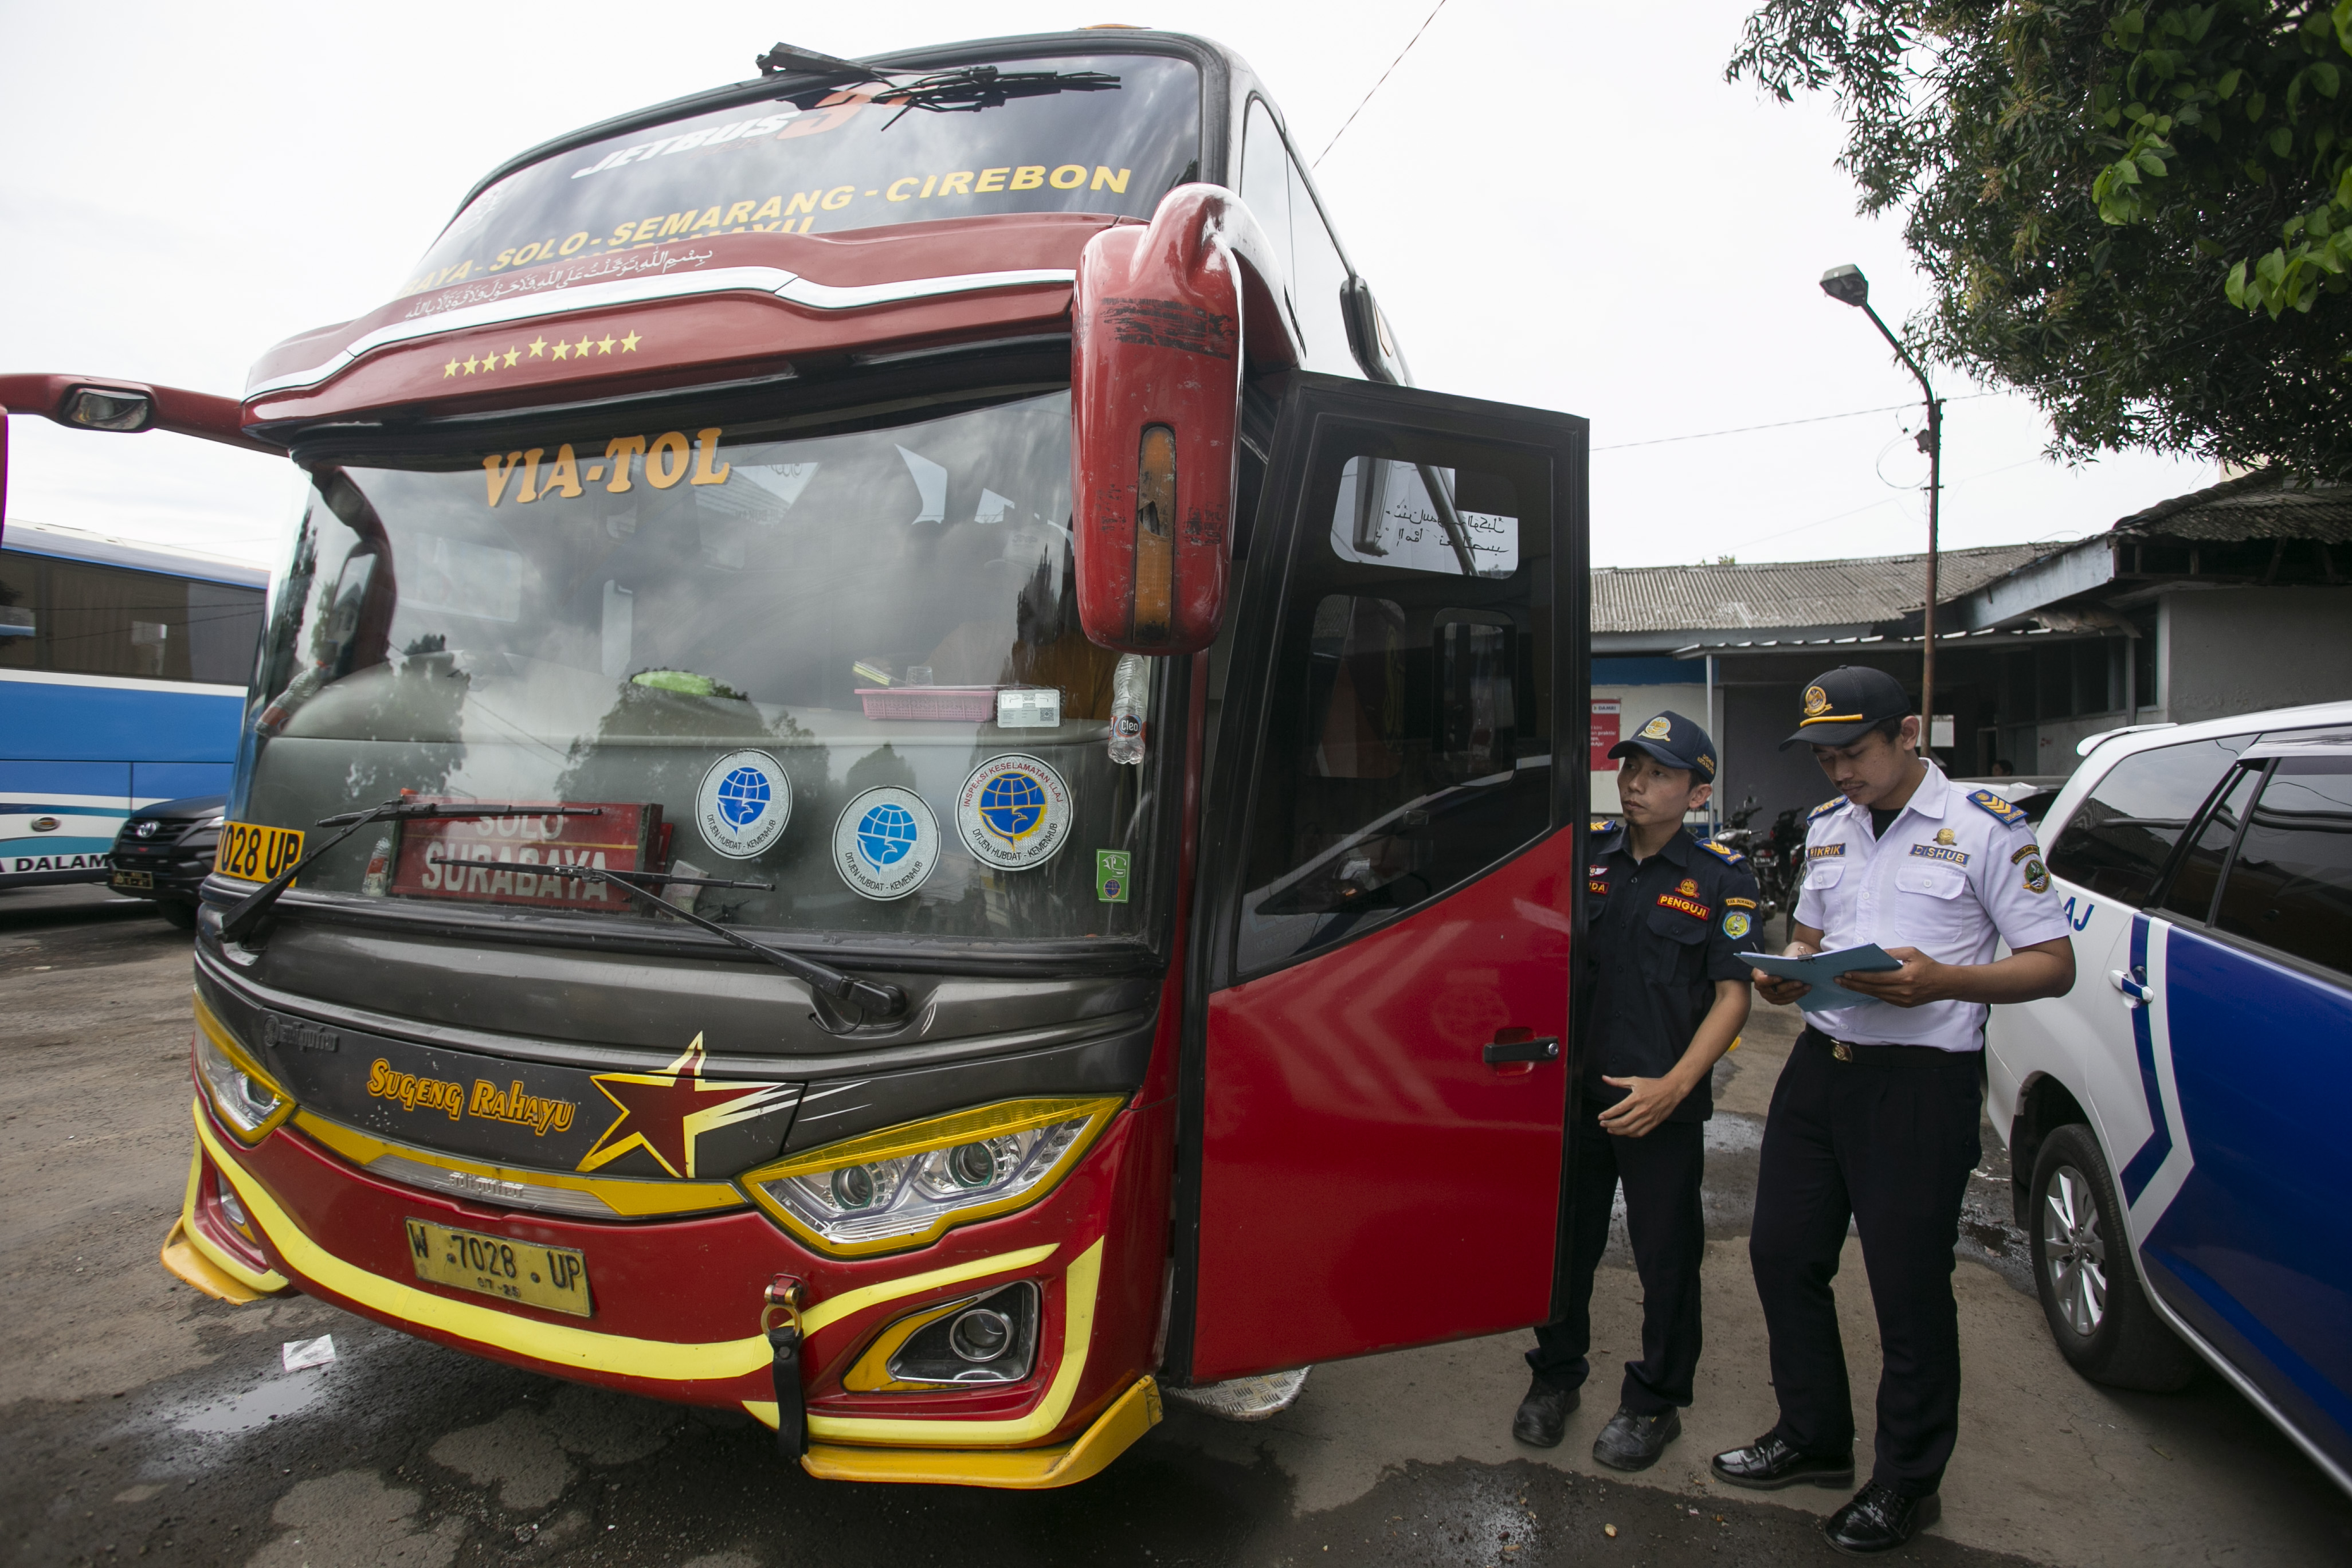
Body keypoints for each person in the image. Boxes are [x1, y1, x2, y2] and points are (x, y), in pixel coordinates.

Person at [1710, 667, 2075, 1554]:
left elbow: (2052, 963)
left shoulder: (1986, 828)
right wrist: (1786, 971)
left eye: (1855, 753)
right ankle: (1815, 1437)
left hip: (1919, 1084)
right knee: (1784, 1255)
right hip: (1818, 1072)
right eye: (1826, 757)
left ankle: (1908, 1482)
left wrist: (1943, 980)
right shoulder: (1830, 829)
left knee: (1908, 1287)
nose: (1839, 773)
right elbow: (1812, 933)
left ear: (1909, 732)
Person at [1513, 711, 1755, 1472]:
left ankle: (1655, 1402)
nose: (1635, 784)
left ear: (1697, 791)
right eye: (1629, 770)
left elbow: (1733, 996)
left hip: (1661, 1105)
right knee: (1566, 1253)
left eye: (1656, 774)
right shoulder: (1589, 857)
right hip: (1578, 1098)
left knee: (1667, 1260)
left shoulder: (1721, 879)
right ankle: (1556, 1378)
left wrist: (1676, 1088)